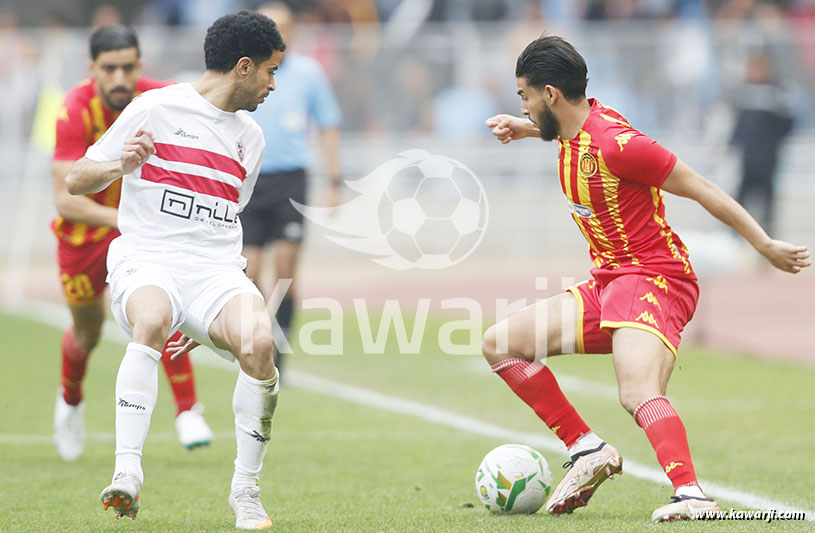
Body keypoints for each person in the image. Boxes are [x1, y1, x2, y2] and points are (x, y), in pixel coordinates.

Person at [483, 36, 809, 522]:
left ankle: (692, 493)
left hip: (655, 278)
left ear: (550, 94)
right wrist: (527, 129)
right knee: (500, 343)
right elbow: (566, 131)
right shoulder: (573, 126)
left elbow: (701, 187)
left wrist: (764, 245)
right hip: (611, 283)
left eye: (524, 97)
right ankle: (586, 448)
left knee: (636, 391)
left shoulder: (619, 145)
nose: (523, 106)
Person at [64, 12, 285, 529]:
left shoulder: (250, 138)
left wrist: (203, 315)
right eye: (271, 72)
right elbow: (76, 179)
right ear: (244, 67)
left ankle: (246, 491)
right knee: (153, 317)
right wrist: (122, 164)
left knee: (258, 345)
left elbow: (226, 220)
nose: (273, 85)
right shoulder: (155, 108)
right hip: (147, 256)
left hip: (214, 271)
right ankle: (126, 475)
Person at [51, 24, 212, 462]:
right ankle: (70, 401)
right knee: (86, 334)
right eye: (109, 69)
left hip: (141, 236)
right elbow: (66, 200)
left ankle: (187, 409)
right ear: (93, 69)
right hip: (86, 236)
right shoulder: (74, 111)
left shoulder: (158, 100)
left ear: (140, 65)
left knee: (160, 309)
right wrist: (127, 217)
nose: (120, 78)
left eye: (128, 67)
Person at [241, 2, 342, 379]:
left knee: (285, 273)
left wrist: (334, 182)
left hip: (290, 181)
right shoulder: (246, 70)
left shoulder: (308, 74)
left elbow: (329, 124)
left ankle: (278, 357)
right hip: (249, 180)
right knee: (249, 272)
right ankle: (253, 343)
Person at [730, 51, 793, 238]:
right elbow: (738, 127)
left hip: (768, 158)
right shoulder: (744, 94)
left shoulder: (777, 93)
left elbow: (787, 124)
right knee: (741, 200)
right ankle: (736, 238)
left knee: (767, 202)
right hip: (747, 159)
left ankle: (769, 239)